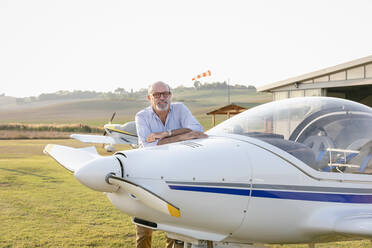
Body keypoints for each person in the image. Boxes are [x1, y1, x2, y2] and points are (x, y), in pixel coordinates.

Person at [135, 81, 207, 248]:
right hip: (148, 174)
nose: (162, 97)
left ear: (170, 95)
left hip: (175, 175)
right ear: (149, 98)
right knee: (144, 228)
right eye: (156, 95)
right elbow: (148, 146)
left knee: (175, 228)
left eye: (165, 94)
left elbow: (197, 129)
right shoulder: (141, 116)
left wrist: (165, 134)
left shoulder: (180, 108)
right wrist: (182, 136)